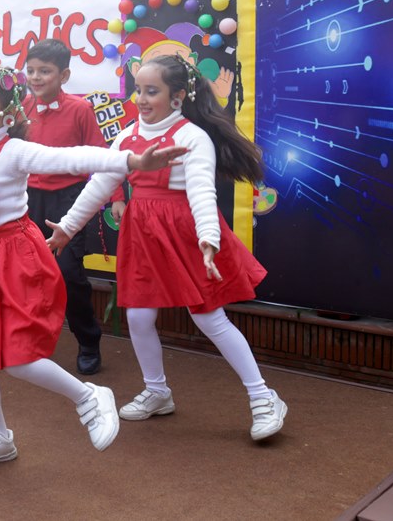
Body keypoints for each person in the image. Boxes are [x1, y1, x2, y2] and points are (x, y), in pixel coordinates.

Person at [0, 66, 186, 468]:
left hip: (16, 259)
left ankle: (88, 396)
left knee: (18, 357)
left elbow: (71, 157)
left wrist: (132, 159)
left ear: (7, 115)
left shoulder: (14, 152)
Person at [50, 54, 287, 441]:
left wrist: (208, 239)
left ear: (177, 97)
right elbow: (100, 184)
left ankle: (264, 397)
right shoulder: (127, 137)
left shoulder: (192, 137)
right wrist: (67, 226)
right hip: (143, 235)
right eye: (138, 90)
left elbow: (202, 193)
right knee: (139, 318)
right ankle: (157, 391)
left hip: (186, 235)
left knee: (209, 319)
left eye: (151, 91)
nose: (141, 99)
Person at [23, 39, 123, 375]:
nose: (36, 78)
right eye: (31, 70)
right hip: (28, 199)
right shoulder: (21, 107)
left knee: (67, 272)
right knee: (28, 272)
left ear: (64, 75)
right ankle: (33, 338)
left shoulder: (80, 109)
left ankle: (89, 340)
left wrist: (117, 196)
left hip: (69, 200)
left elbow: (102, 155)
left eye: (45, 71)